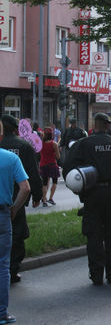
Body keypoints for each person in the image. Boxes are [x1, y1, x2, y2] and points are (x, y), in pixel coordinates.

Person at [62, 113, 111, 285]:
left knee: (93, 235)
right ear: (108, 125)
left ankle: (96, 274)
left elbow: (68, 169)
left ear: (95, 125)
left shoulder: (83, 144)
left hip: (91, 194)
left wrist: (79, 190)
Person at [0, 115, 42, 284]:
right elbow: (33, 174)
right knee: (17, 234)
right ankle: (12, 269)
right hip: (16, 198)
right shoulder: (23, 146)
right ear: (16, 129)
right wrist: (37, 196)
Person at [0, 120, 31, 324]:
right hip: (2, 215)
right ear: (1, 137)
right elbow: (25, 188)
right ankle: (2, 313)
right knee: (3, 264)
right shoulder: (10, 159)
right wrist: (14, 209)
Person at [40, 127, 60, 207]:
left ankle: (44, 200)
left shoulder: (41, 143)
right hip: (52, 165)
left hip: (43, 164)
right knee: (54, 182)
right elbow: (58, 157)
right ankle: (51, 198)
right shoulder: (54, 144)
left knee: (44, 183)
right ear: (51, 135)